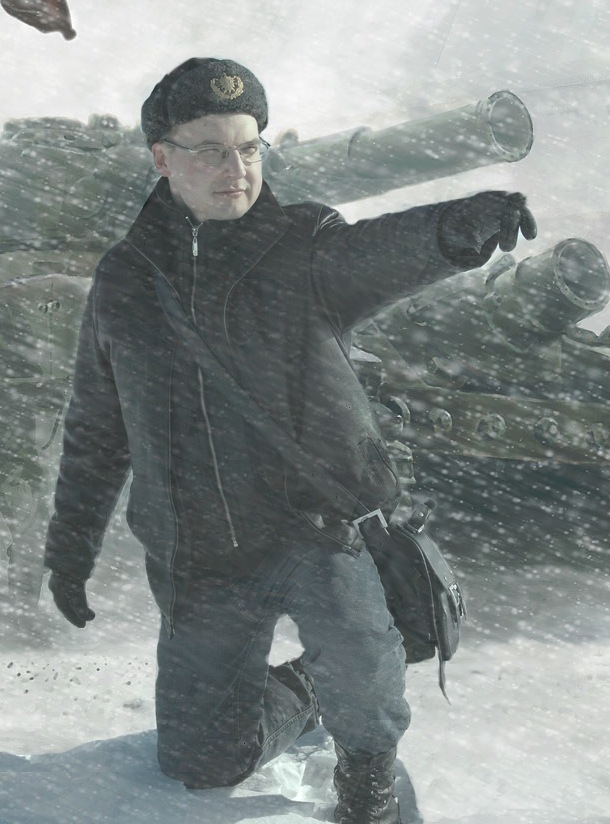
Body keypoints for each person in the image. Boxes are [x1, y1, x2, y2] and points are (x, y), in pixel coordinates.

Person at [44, 57, 537, 823]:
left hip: (315, 527)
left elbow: (378, 252)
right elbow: (96, 428)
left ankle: (366, 777)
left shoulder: (303, 246)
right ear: (163, 159)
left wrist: (453, 229)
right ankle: (306, 690)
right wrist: (71, 550)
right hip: (198, 549)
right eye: (210, 150)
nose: (235, 169)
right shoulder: (124, 281)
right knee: (204, 762)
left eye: (248, 148)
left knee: (363, 678)